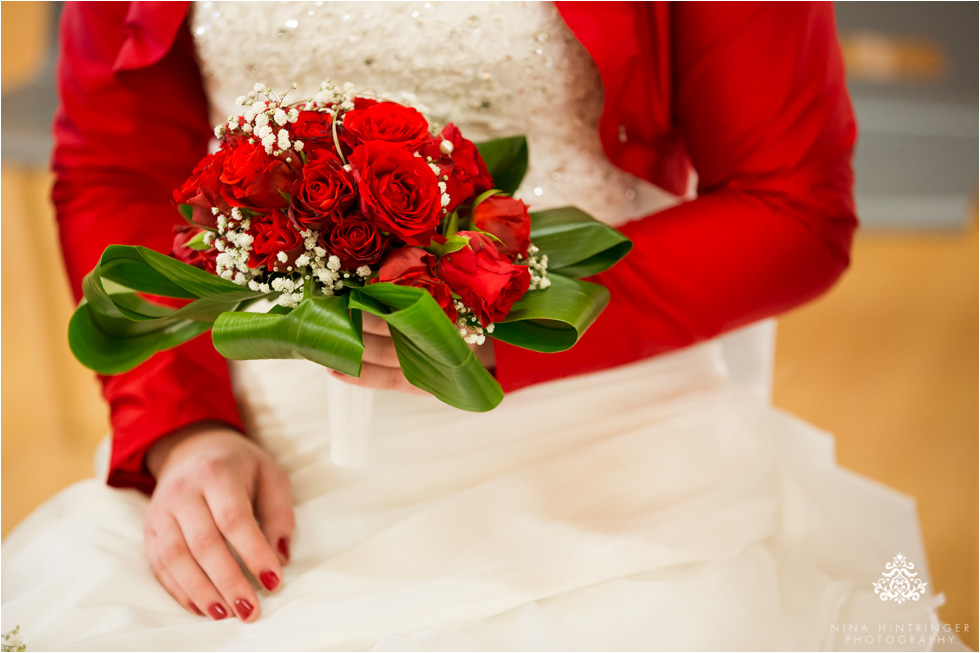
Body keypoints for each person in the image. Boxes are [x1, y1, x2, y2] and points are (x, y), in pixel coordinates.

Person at [2, 1, 947, 649]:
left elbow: (795, 209)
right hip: (262, 427)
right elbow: (120, 172)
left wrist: (485, 329)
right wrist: (184, 428)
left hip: (594, 413)